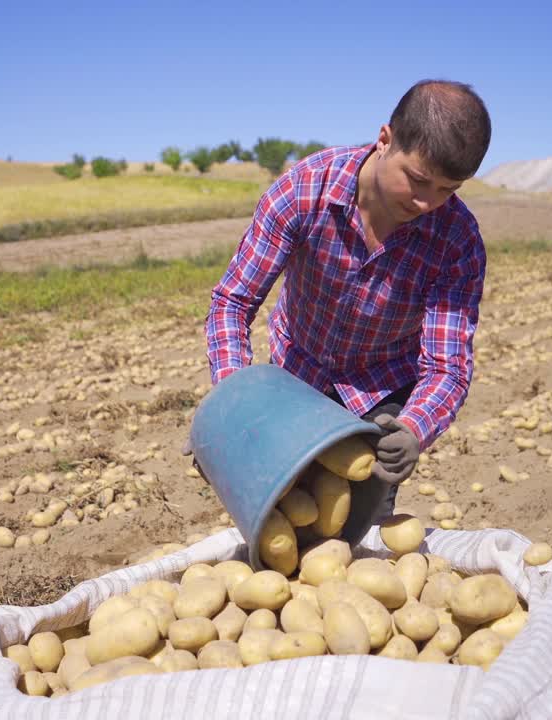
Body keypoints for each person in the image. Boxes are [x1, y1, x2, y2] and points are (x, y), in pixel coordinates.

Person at [200, 79, 490, 512]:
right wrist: (233, 404)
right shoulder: (303, 191)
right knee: (282, 508)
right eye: (417, 180)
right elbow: (233, 303)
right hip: (296, 372)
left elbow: (446, 366)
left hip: (382, 385)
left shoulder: (457, 240)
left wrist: (412, 428)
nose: (427, 203)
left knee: (360, 523)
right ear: (384, 140)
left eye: (448, 190)